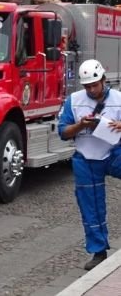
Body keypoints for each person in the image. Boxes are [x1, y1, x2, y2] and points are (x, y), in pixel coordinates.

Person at [58, 59, 121, 271]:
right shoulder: (73, 100)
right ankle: (98, 251)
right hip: (86, 157)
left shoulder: (119, 99)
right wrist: (80, 125)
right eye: (87, 86)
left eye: (95, 84)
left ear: (104, 80)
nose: (92, 90)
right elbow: (63, 133)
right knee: (91, 206)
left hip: (114, 152)